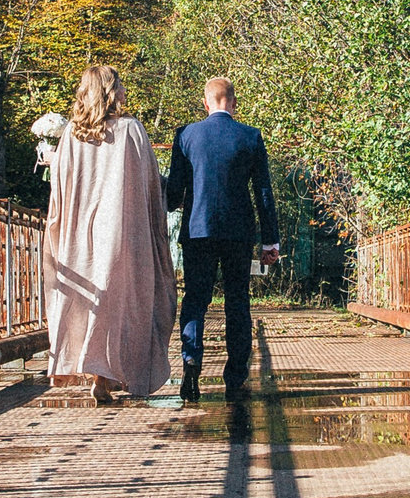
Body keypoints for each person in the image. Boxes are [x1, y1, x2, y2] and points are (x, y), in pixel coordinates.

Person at [43, 65, 176, 403]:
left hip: (80, 236)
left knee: (90, 300)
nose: (124, 92)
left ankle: (98, 372)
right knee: (124, 302)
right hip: (122, 231)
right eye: (119, 86)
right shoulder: (131, 130)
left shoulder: (71, 135)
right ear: (109, 91)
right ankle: (112, 371)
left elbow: (58, 188)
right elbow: (150, 183)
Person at [165, 76, 279, 402]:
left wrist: (172, 199)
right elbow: (263, 193)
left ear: (206, 103)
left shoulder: (186, 135)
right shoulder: (250, 137)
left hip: (197, 230)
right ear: (234, 102)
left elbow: (174, 191)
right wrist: (270, 242)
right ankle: (236, 378)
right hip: (238, 233)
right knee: (237, 303)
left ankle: (191, 360)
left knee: (195, 300)